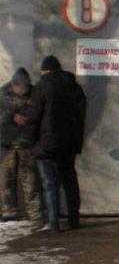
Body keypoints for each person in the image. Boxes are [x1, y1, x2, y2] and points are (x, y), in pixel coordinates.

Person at [26, 56, 87, 232]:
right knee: (70, 182)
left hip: (47, 143)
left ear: (46, 70)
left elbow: (34, 116)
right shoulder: (75, 87)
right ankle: (74, 219)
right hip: (70, 143)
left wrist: (30, 137)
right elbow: (81, 115)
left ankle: (53, 223)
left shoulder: (42, 86)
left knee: (50, 184)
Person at [0, 67, 43, 226]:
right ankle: (8, 212)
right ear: (14, 84)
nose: (23, 92)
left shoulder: (35, 93)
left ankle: (35, 214)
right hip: (7, 144)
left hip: (27, 144)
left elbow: (39, 114)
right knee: (6, 180)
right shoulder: (3, 94)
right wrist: (12, 117)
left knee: (31, 181)